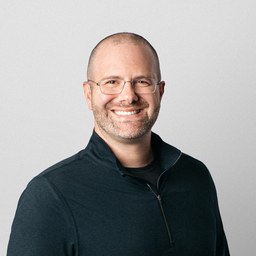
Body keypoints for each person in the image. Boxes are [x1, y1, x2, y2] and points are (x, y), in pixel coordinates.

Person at [7, 32, 230, 256]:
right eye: (112, 82)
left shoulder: (196, 176)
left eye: (142, 81)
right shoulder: (50, 195)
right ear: (88, 94)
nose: (128, 96)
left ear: (160, 92)